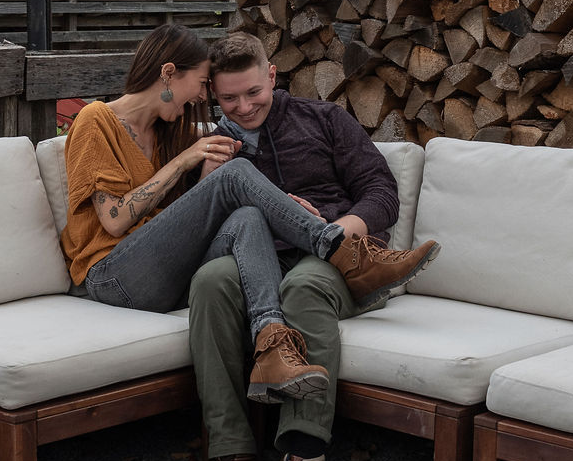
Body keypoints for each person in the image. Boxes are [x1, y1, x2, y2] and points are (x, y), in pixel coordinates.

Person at [60, 24, 438, 408]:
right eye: (205, 84)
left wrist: (207, 181)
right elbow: (113, 220)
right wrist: (185, 163)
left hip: (162, 274)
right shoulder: (96, 119)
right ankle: (342, 252)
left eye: (251, 92)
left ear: (271, 76)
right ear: (170, 73)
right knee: (236, 175)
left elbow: (177, 225)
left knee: (248, 214)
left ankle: (271, 343)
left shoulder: (168, 132)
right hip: (112, 275)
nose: (200, 99)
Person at [185, 32, 440, 461]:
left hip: (335, 260)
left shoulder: (325, 119)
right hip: (260, 260)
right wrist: (206, 183)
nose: (243, 106)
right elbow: (202, 235)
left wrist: (338, 227)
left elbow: (381, 192)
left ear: (272, 75)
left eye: (252, 92)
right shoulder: (215, 143)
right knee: (210, 281)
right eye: (229, 98)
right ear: (214, 93)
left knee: (303, 286)